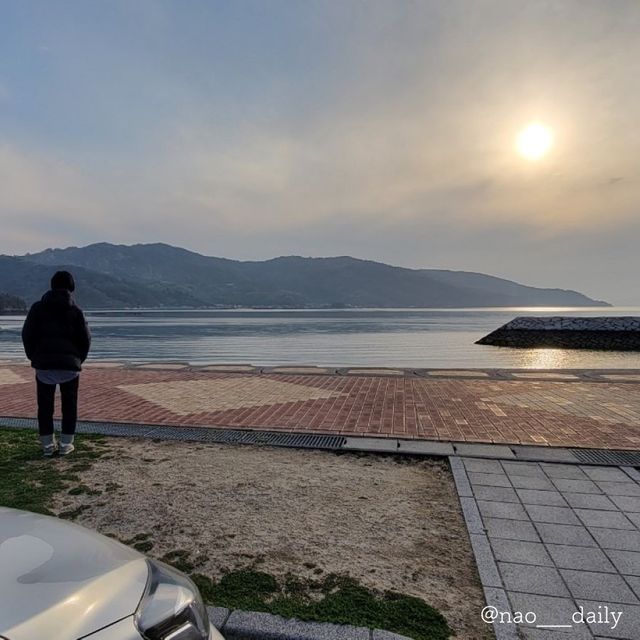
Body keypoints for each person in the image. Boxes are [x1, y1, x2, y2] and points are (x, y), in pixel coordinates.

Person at [21, 271, 91, 457]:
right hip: (70, 367)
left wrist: (34, 357)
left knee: (44, 407)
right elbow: (85, 339)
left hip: (43, 366)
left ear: (51, 286)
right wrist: (77, 359)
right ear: (71, 287)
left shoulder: (37, 308)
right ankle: (66, 444)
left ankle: (47, 446)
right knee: (70, 405)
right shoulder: (75, 311)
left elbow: (27, 335)